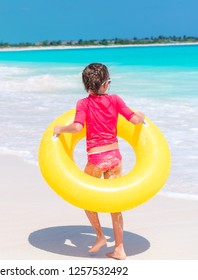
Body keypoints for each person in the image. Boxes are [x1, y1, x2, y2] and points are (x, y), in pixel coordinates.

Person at [53, 63, 144, 260]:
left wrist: (60, 129)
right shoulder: (116, 100)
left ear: (87, 86)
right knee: (115, 204)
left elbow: (77, 127)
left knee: (86, 199)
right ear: (105, 84)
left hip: (96, 159)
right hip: (114, 157)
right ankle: (119, 248)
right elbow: (135, 120)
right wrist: (142, 116)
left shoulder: (83, 103)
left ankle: (100, 236)